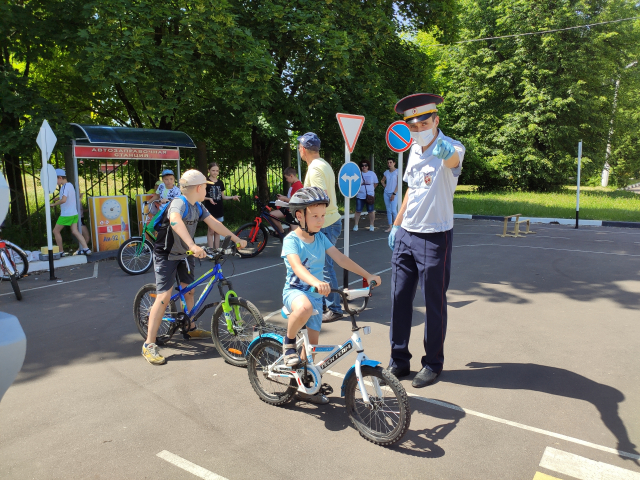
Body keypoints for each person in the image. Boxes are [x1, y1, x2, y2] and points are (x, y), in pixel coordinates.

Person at [387, 93, 465, 388]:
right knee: (399, 299)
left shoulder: (452, 147)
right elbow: (411, 190)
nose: (419, 129)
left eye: (424, 123)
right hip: (407, 234)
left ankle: (432, 363)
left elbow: (454, 159)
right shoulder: (414, 150)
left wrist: (447, 154)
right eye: (413, 126)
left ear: (436, 120)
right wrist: (396, 225)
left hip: (435, 237)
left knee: (434, 303)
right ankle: (398, 360)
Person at [281, 186, 381, 403]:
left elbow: (340, 259)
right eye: (315, 216)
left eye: (323, 216)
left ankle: (303, 386)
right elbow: (297, 267)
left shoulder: (320, 239)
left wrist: (367, 275)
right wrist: (316, 282)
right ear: (300, 216)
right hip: (296, 292)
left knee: (311, 349)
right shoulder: (292, 240)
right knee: (304, 308)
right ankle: (288, 342)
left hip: (316, 297)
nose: (320, 220)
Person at [142, 170, 247, 365]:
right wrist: (192, 245)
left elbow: (214, 223)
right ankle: (149, 344)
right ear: (198, 188)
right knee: (164, 297)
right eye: (205, 187)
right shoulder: (179, 203)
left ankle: (190, 327)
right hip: (167, 254)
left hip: (185, 254)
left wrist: (235, 238)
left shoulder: (197, 206)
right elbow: (175, 221)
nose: (206, 189)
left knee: (189, 291)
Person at [298, 132, 343, 323]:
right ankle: (324, 304)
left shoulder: (315, 169)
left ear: (303, 149)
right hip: (329, 222)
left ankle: (334, 308)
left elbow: (321, 198)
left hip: (324, 224)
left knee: (324, 267)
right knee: (320, 266)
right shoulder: (323, 164)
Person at [50, 169, 92, 256]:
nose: (55, 182)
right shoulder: (70, 185)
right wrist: (58, 198)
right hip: (74, 214)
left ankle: (61, 252)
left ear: (60, 177)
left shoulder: (64, 187)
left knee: (55, 231)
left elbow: (64, 200)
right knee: (75, 231)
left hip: (66, 214)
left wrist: (54, 204)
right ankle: (86, 248)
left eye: (55, 180)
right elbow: (69, 196)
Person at [204, 162, 240, 248]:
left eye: (217, 171)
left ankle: (217, 250)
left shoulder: (220, 182)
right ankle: (211, 250)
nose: (215, 172)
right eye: (213, 170)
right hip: (209, 210)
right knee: (211, 231)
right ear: (209, 170)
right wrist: (209, 198)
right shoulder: (205, 182)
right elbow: (201, 197)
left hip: (219, 209)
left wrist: (232, 197)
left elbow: (223, 196)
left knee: (218, 231)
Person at [271, 166, 303, 234]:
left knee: (295, 234)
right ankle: (281, 231)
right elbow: (291, 197)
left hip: (293, 212)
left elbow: (296, 200)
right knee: (272, 215)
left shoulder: (298, 185)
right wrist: (283, 197)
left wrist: (284, 199)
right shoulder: (293, 184)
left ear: (291, 176)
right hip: (288, 209)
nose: (286, 180)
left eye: (286, 178)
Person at [353, 160, 378, 232]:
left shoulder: (372, 174)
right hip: (360, 195)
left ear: (368, 166)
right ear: (360, 167)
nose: (364, 167)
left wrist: (371, 190)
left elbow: (376, 183)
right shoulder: (358, 174)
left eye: (366, 165)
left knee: (371, 211)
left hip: (370, 195)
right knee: (358, 211)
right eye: (362, 165)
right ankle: (356, 225)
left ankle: (371, 225)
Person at [381, 157, 399, 232]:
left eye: (391, 162)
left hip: (394, 193)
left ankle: (396, 227)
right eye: (388, 162)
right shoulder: (386, 172)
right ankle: (390, 227)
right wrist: (385, 186)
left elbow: (399, 183)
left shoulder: (397, 171)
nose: (389, 164)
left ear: (394, 163)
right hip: (386, 193)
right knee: (388, 210)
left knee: (394, 210)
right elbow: (382, 180)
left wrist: (394, 193)